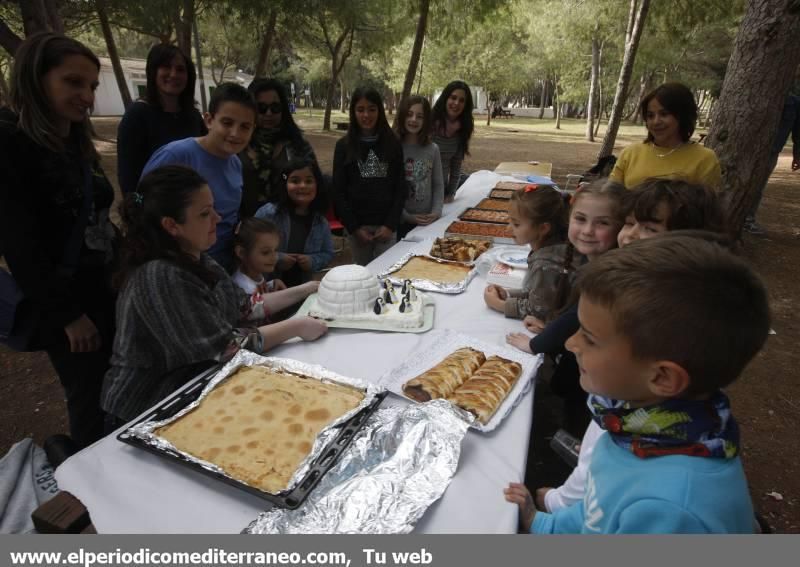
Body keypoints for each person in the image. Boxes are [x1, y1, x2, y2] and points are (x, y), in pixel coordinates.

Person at [505, 235, 770, 533]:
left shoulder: (670, 510)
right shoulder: (636, 425)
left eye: (589, 338)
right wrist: (542, 524)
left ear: (661, 378)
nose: (570, 342)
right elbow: (597, 509)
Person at [531, 180, 728, 514]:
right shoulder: (638, 292)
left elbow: (604, 463)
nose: (630, 235)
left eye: (649, 227)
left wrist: (552, 507)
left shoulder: (662, 322)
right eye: (631, 222)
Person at [101, 166, 327, 424]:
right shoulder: (161, 276)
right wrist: (295, 326)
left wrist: (308, 289)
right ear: (172, 225)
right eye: (205, 214)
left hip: (188, 392)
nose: (218, 218)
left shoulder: (199, 259)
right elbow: (225, 348)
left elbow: (246, 306)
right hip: (145, 410)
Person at [0, 33, 117, 447]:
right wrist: (68, 316)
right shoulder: (12, 143)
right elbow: (21, 246)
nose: (86, 95)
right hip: (67, 306)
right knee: (89, 398)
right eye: (73, 82)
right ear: (36, 78)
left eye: (91, 86)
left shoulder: (73, 141)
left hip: (104, 290)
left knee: (117, 390)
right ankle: (85, 495)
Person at [506, 181, 625, 434]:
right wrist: (550, 325)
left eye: (602, 223)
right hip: (585, 372)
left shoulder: (609, 272)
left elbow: (575, 317)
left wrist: (534, 345)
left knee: (580, 420)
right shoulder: (592, 262)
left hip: (597, 383)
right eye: (580, 219)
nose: (588, 231)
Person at [141, 82, 256, 271]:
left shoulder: (236, 163)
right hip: (181, 268)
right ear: (209, 120)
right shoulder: (176, 155)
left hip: (223, 268)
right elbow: (143, 213)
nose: (235, 133)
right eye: (227, 123)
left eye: (245, 127)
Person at [116, 44, 205, 195]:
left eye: (180, 69)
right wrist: (139, 210)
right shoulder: (137, 115)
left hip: (192, 205)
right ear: (153, 72)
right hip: (154, 209)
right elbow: (128, 177)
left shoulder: (194, 116)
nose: (173, 74)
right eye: (166, 67)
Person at [332, 86, 406, 266]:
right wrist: (354, 228)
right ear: (353, 112)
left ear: (379, 111)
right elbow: (338, 192)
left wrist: (390, 225)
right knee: (363, 274)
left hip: (386, 227)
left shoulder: (393, 143)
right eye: (360, 110)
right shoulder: (343, 146)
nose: (366, 115)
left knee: (387, 273)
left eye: (372, 109)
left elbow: (401, 187)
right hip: (358, 228)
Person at [483, 184, 578, 321]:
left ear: (543, 228)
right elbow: (539, 293)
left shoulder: (546, 264)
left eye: (516, 224)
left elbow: (538, 309)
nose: (508, 229)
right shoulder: (548, 250)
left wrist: (499, 304)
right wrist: (509, 294)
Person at [609, 82, 721, 190]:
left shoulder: (705, 159)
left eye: (664, 114)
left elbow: (707, 207)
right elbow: (609, 198)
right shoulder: (630, 154)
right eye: (650, 115)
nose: (656, 121)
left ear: (683, 116)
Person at [240, 78, 317, 217]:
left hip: (291, 226)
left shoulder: (299, 146)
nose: (269, 113)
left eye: (275, 107)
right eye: (261, 108)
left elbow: (314, 185)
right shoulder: (237, 144)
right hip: (248, 228)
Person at [254, 159, 334, 288]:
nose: (302, 186)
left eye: (309, 181)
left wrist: (312, 261)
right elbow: (251, 249)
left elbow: (328, 253)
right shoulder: (268, 214)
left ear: (317, 185)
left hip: (301, 287)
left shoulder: (320, 221)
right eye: (295, 181)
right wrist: (278, 258)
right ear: (284, 184)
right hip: (269, 286)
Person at [231, 216, 320, 324]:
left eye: (275, 250)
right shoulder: (242, 288)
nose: (274, 257)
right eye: (265, 252)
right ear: (241, 253)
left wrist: (271, 284)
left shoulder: (254, 274)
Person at [744, 92, 800, 234]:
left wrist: (797, 155)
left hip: (770, 152)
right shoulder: (755, 92)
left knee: (758, 186)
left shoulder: (794, 103)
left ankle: (748, 220)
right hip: (744, 148)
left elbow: (798, 133)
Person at [393, 95, 444, 240]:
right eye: (409, 114)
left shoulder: (433, 149)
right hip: (400, 221)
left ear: (426, 120)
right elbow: (389, 189)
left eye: (420, 116)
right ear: (402, 116)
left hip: (427, 222)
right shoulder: (394, 147)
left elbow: (438, 184)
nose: (414, 120)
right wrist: (406, 216)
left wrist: (436, 212)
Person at [432, 80, 474, 203]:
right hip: (421, 192)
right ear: (445, 98)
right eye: (453, 98)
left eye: (462, 100)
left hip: (442, 190)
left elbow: (456, 166)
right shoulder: (429, 122)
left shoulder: (463, 129)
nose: (456, 103)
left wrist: (451, 193)